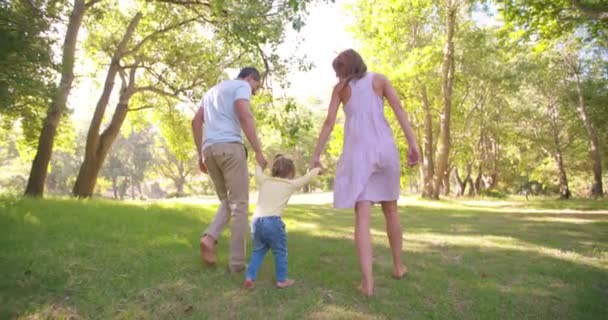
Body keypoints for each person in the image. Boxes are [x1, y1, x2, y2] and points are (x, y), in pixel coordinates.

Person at [311, 49, 420, 296]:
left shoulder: (340, 91)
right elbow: (399, 111)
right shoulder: (379, 80)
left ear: (345, 70)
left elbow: (329, 123)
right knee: (391, 210)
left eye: (340, 72)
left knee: (362, 217)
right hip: (385, 149)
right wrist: (413, 144)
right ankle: (398, 266)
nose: (340, 77)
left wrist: (316, 154)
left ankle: (368, 283)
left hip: (359, 153)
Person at [191, 67, 268, 273]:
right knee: (240, 204)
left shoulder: (211, 92)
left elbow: (196, 121)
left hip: (210, 150)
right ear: (250, 78)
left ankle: (209, 238)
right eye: (256, 87)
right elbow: (244, 114)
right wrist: (258, 151)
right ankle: (237, 264)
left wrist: (201, 154)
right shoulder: (241, 86)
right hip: (230, 147)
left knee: (227, 201)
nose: (254, 92)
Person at [244, 155, 321, 289]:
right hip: (273, 222)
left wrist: (260, 164)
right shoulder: (290, 184)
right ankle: (281, 280)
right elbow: (307, 178)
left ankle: (250, 277)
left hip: (256, 222)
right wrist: (318, 169)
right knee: (280, 251)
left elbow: (257, 172)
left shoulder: (264, 180)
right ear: (290, 173)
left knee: (258, 251)